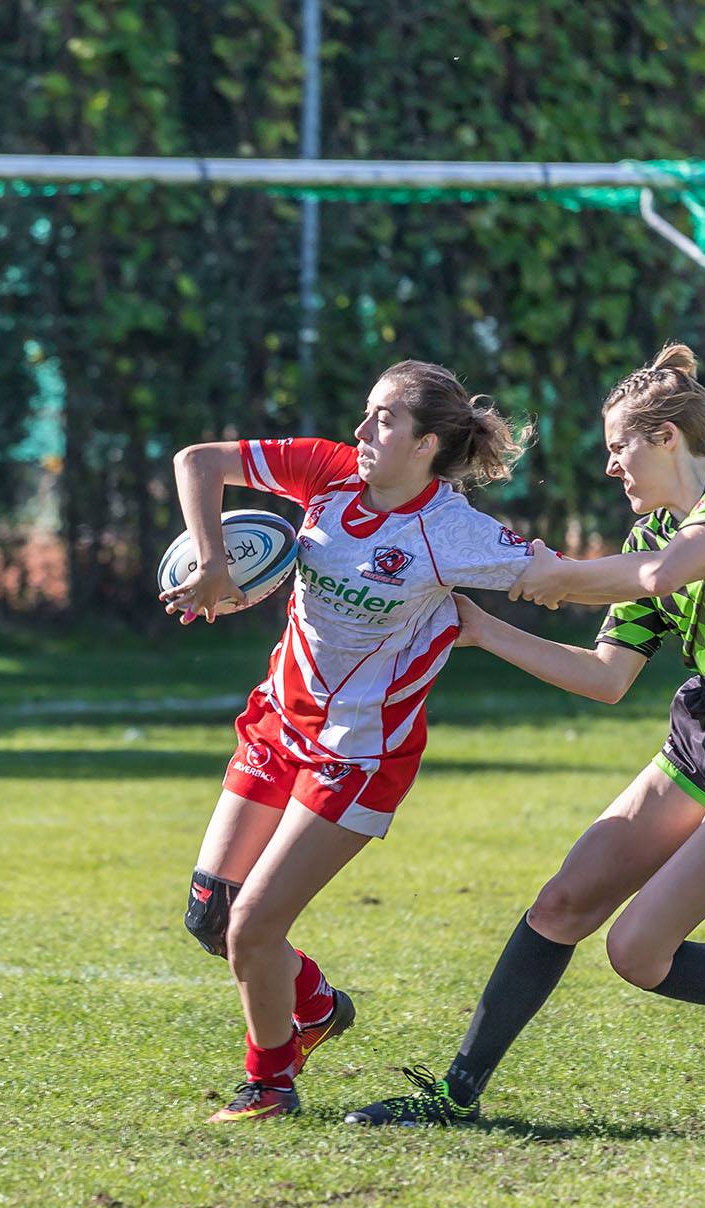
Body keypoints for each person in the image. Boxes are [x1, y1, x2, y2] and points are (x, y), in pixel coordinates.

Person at [346, 343, 705, 1128]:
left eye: (619, 447)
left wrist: (562, 574)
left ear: (667, 438)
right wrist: (485, 629)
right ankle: (455, 1095)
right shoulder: (648, 539)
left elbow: (662, 577)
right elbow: (607, 676)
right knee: (562, 902)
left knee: (637, 950)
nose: (613, 466)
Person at [162, 360, 537, 1122]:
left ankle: (269, 1084)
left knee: (254, 926)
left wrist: (670, 565)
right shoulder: (330, 472)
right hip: (278, 722)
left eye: (383, 420)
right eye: (365, 413)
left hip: (359, 754)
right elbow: (198, 462)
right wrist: (212, 565)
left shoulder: (454, 531)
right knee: (212, 915)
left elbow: (567, 576)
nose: (362, 431)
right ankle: (319, 1007)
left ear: (427, 443)